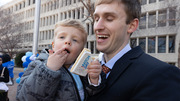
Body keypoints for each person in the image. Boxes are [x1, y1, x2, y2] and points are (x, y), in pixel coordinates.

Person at [87, 0, 180, 101]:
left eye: (109, 19)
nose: (97, 27)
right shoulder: (85, 68)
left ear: (132, 26)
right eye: (96, 19)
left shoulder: (161, 75)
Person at [16, 19, 102, 101]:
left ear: (81, 51)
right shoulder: (38, 64)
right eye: (62, 37)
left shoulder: (83, 69)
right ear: (53, 45)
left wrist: (94, 80)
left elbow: (91, 95)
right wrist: (49, 69)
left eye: (75, 40)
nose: (68, 41)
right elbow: (24, 97)